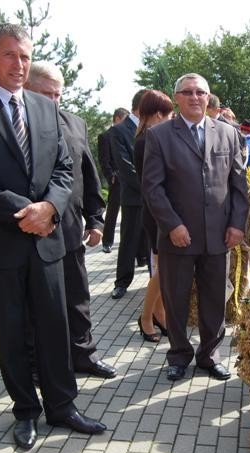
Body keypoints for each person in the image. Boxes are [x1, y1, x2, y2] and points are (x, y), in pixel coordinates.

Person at [0, 24, 105, 450]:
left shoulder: (45, 106)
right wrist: (26, 211)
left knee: (55, 324)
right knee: (13, 331)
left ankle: (63, 406)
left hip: (48, 238)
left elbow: (64, 169)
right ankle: (25, 412)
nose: (19, 64)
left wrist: (49, 208)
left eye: (25, 57)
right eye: (10, 55)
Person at [142, 73, 248, 382]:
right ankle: (178, 355)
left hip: (218, 235)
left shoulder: (228, 133)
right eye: (187, 92)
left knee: (215, 298)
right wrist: (172, 224)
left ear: (208, 96)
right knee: (175, 299)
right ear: (177, 98)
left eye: (200, 92)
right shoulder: (159, 136)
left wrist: (237, 224)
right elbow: (152, 187)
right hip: (177, 237)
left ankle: (209, 355)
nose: (195, 97)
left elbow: (238, 184)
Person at [24, 62, 117, 380]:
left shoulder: (75, 124)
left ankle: (83, 355)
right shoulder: (17, 126)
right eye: (45, 94)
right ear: (26, 88)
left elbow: (88, 174)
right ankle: (35, 365)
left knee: (78, 298)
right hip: (33, 233)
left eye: (58, 95)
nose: (52, 101)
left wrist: (96, 219)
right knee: (36, 303)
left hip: (70, 231)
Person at [133, 90, 174, 343]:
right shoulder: (147, 140)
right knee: (162, 271)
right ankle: (146, 317)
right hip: (156, 213)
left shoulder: (149, 137)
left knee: (164, 271)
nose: (173, 118)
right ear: (158, 114)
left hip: (161, 211)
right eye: (170, 113)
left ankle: (159, 312)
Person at [110, 89, 150, 300]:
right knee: (129, 240)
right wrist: (150, 188)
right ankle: (122, 281)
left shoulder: (157, 127)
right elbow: (125, 167)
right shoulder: (119, 131)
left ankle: (156, 282)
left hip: (157, 197)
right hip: (135, 196)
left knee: (155, 244)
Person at [98, 108, 130, 253]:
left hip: (129, 177)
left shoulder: (128, 134)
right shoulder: (105, 136)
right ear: (117, 119)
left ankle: (131, 244)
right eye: (124, 119)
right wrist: (110, 176)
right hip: (116, 179)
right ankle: (107, 241)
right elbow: (104, 161)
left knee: (131, 212)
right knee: (112, 211)